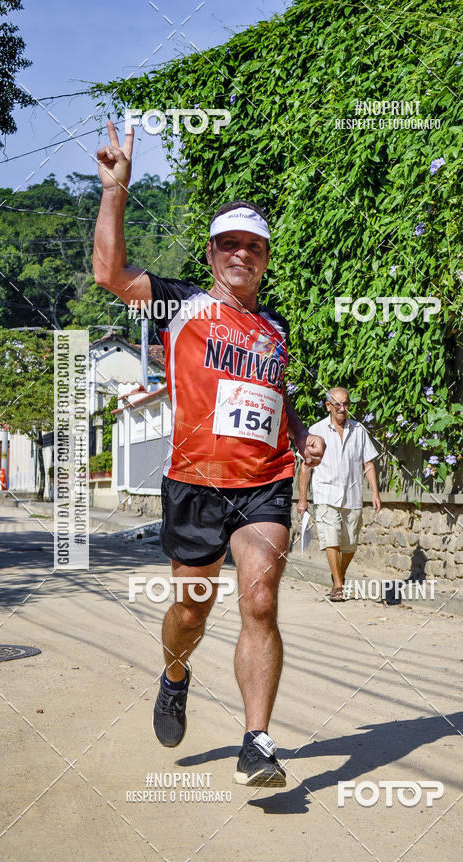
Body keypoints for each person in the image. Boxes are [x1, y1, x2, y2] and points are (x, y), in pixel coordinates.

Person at [93, 121, 325, 787]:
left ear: (265, 258)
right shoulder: (180, 305)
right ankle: (174, 672)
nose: (242, 254)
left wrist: (300, 428)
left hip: (265, 482)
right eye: (231, 243)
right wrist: (115, 191)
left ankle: (257, 739)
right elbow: (109, 272)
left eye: (254, 246)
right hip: (195, 482)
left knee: (260, 599)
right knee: (192, 610)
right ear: (211, 252)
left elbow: (275, 396)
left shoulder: (276, 328)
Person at [297, 387, 381, 601]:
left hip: (352, 495)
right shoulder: (316, 431)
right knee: (331, 539)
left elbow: (368, 463)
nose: (343, 409)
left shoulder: (358, 430)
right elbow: (306, 467)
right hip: (326, 494)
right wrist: (303, 499)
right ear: (328, 406)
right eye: (338, 405)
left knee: (350, 544)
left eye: (346, 405)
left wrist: (375, 493)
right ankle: (337, 585)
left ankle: (338, 576)